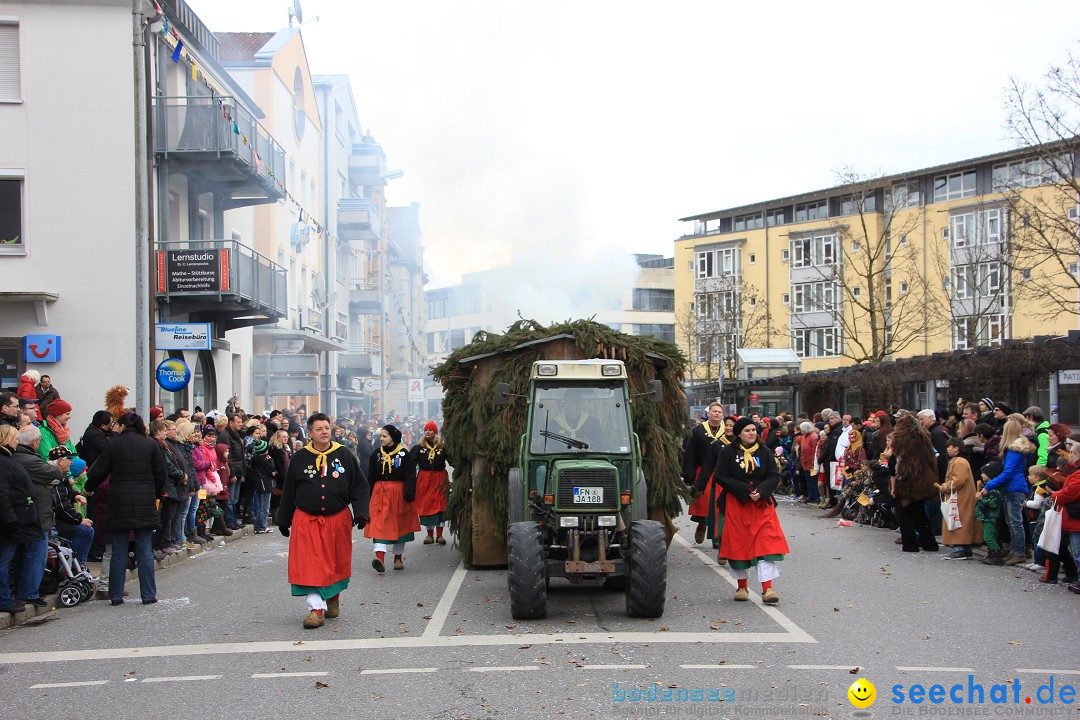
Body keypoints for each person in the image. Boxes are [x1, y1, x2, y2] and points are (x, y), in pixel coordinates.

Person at [278, 413, 370, 629]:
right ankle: (315, 610)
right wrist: (284, 519)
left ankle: (333, 598)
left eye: (327, 428)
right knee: (310, 563)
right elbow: (289, 490)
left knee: (335, 561)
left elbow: (359, 485)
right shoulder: (300, 458)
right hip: (306, 519)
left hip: (337, 518)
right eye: (319, 429)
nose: (324, 432)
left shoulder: (344, 455)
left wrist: (362, 512)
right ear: (310, 433)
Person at [85, 412, 166, 606]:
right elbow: (160, 473)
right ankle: (148, 595)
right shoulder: (150, 444)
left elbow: (99, 470)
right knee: (144, 549)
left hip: (118, 501)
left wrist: (89, 487)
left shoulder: (114, 444)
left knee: (119, 549)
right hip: (144, 500)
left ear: (122, 426)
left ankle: (115, 595)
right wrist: (155, 495)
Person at [712, 417, 789, 604]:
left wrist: (761, 491)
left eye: (753, 430)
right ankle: (742, 586)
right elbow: (721, 476)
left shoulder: (764, 452)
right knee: (740, 543)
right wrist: (745, 491)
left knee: (765, 544)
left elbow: (773, 475)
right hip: (738, 503)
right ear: (739, 433)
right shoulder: (728, 452)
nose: (752, 433)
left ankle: (767, 588)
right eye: (747, 430)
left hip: (762, 504)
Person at [364, 424, 420, 574]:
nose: (381, 438)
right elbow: (370, 476)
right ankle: (380, 559)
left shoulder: (404, 454)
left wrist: (409, 492)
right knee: (378, 524)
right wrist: (367, 496)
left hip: (398, 493)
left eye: (384, 436)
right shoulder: (376, 454)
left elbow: (410, 475)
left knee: (399, 525)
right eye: (380, 436)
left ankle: (397, 557)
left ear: (393, 437)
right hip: (380, 492)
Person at [978, 418, 1034, 567]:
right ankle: (1016, 551)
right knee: (1012, 522)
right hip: (1015, 487)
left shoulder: (1013, 450)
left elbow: (1008, 473)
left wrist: (989, 485)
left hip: (1014, 488)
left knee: (1015, 523)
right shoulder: (1019, 449)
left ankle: (1019, 552)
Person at [0, 425, 42, 614]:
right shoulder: (4, 462)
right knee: (3, 560)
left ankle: (6, 597)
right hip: (10, 521)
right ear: (6, 439)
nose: (18, 441)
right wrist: (11, 520)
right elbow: (2, 495)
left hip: (15, 518)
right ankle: (3, 599)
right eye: (15, 438)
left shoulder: (7, 460)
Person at [881, 416, 939, 553]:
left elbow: (896, 465)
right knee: (920, 514)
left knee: (904, 515)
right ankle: (929, 543)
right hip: (922, 481)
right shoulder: (924, 438)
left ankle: (910, 544)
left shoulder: (901, 440)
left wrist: (893, 487)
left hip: (905, 482)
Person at [684, 403, 728, 545]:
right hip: (703, 472)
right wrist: (689, 473)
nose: (716, 414)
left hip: (722, 473)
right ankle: (702, 526)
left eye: (719, 412)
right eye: (714, 411)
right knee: (704, 504)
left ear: (722, 415)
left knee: (718, 505)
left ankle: (717, 536)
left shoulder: (727, 432)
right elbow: (690, 452)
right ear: (708, 413)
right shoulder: (698, 430)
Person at [939, 438, 981, 559]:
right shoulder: (960, 461)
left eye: (949, 447)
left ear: (956, 448)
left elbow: (958, 481)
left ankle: (960, 549)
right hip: (961, 497)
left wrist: (945, 486)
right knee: (961, 520)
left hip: (960, 498)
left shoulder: (959, 462)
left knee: (958, 521)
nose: (947, 449)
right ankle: (964, 549)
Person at [412, 420, 450, 545]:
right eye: (426, 430)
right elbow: (410, 464)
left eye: (430, 430)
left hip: (439, 478)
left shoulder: (442, 447)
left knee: (440, 505)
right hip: (425, 479)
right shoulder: (419, 447)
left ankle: (440, 535)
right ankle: (429, 535)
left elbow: (452, 459)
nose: (427, 432)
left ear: (435, 432)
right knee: (427, 505)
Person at [248, 438, 276, 534]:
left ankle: (258, 526)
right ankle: (262, 526)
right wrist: (271, 460)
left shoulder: (254, 458)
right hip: (265, 483)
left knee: (260, 506)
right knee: (265, 506)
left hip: (259, 483)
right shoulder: (263, 460)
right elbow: (272, 470)